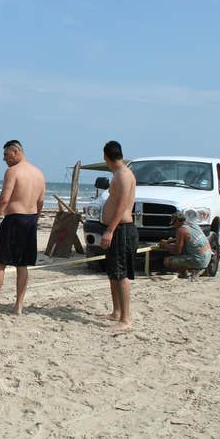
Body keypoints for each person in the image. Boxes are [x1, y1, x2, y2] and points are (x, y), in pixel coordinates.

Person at [0, 140, 45, 315]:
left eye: (6, 155)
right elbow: (40, 202)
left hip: (14, 220)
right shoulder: (39, 173)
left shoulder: (13, 171)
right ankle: (18, 306)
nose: (4, 159)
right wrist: (36, 219)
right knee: (22, 264)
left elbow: (4, 199)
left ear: (15, 152)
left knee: (0, 263)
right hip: (30, 220)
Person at [99, 140, 137, 334]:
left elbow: (122, 205)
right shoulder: (119, 174)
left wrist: (110, 230)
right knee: (113, 273)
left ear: (106, 156)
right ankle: (116, 312)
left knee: (121, 275)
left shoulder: (123, 175)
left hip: (121, 229)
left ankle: (126, 318)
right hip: (117, 228)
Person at [159, 211, 213, 279]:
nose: (173, 226)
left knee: (167, 261)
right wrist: (169, 241)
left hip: (199, 260)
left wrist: (165, 245)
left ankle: (193, 270)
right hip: (208, 256)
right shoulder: (193, 225)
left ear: (178, 221)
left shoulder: (181, 230)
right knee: (186, 248)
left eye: (174, 223)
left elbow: (177, 252)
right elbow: (188, 237)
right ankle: (195, 268)